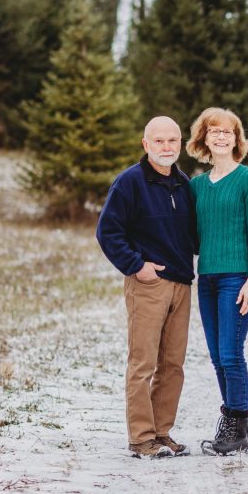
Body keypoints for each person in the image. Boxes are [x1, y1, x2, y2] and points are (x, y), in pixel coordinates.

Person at [96, 116, 196, 459]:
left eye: (173, 141)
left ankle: (161, 432)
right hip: (148, 285)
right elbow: (108, 232)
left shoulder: (185, 185)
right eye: (159, 141)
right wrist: (137, 266)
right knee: (143, 364)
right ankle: (141, 438)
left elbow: (194, 237)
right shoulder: (130, 182)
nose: (166, 147)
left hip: (182, 286)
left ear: (180, 144)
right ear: (146, 144)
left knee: (174, 365)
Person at [186, 107, 248, 456]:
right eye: (213, 131)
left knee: (232, 354)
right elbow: (190, 235)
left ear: (237, 139)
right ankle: (235, 427)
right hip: (207, 278)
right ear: (203, 138)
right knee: (218, 357)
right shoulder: (197, 185)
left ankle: (237, 422)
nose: (220, 136)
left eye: (227, 132)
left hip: (236, 278)